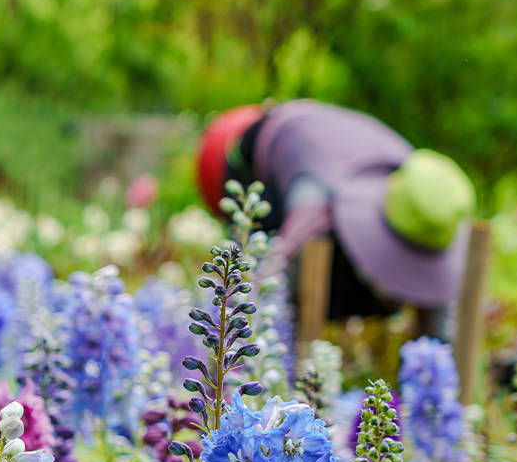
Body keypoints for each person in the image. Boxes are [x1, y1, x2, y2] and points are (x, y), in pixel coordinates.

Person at [196, 100, 476, 330]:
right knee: (259, 249)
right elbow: (273, 273)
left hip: (334, 135)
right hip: (253, 140)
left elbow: (441, 317)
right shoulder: (315, 202)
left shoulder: (426, 193)